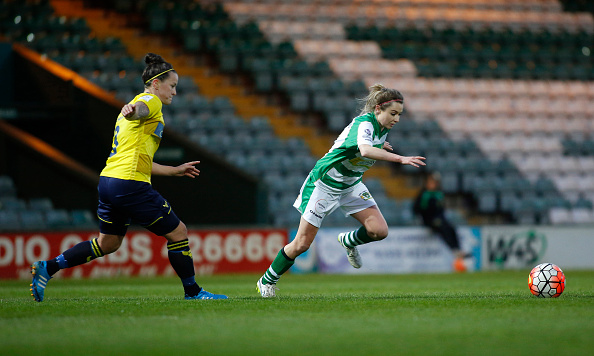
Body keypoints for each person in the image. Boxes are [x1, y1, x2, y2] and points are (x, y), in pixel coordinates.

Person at [30, 53, 227, 301]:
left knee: (108, 243)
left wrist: (174, 170)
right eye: (172, 86)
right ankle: (193, 292)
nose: (174, 92)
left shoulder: (131, 112)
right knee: (178, 233)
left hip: (109, 181)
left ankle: (48, 267)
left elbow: (139, 160)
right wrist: (134, 110)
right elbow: (140, 110)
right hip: (130, 184)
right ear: (156, 83)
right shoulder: (150, 101)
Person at [256, 84, 426, 297]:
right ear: (377, 110)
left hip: (351, 184)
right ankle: (267, 280)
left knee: (379, 231)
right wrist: (400, 158)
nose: (397, 119)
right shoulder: (365, 124)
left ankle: (349, 241)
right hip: (324, 184)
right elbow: (364, 149)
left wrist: (379, 145)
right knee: (301, 244)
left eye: (399, 114)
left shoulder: (381, 129)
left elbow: (360, 146)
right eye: (393, 113)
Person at [412, 172, 471, 272]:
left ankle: (458, 249)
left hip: (440, 219)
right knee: (443, 228)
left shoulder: (438, 194)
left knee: (451, 228)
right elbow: (417, 209)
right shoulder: (424, 194)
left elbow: (441, 209)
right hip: (429, 220)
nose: (433, 184)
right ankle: (454, 249)